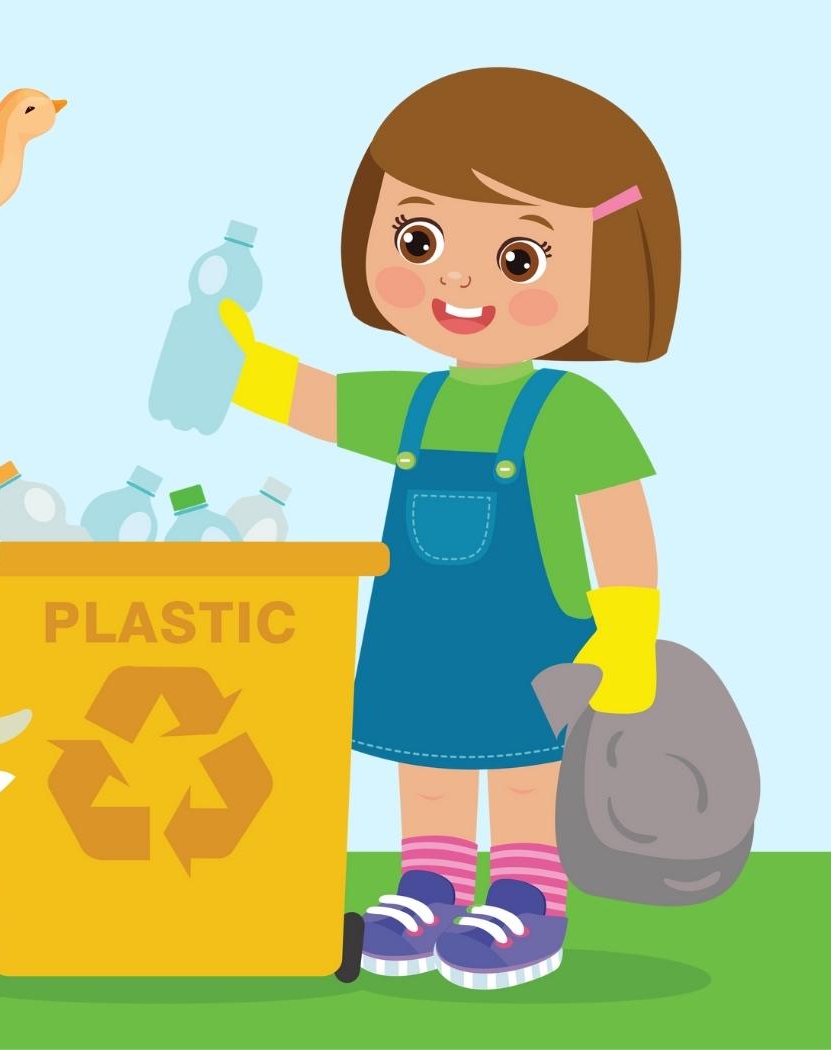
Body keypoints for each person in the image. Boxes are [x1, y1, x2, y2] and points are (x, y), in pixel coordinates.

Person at [218, 67, 680, 988]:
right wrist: (243, 364)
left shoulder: (574, 413)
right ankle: (426, 882)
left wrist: (630, 633)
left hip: (533, 647)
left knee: (520, 773)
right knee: (421, 764)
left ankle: (526, 895)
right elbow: (325, 402)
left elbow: (617, 522)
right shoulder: (412, 403)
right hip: (419, 642)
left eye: (520, 258)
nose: (459, 278)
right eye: (419, 237)